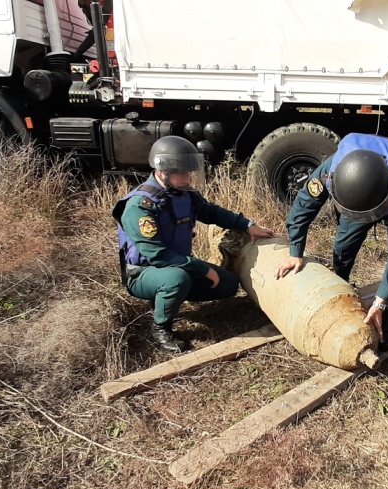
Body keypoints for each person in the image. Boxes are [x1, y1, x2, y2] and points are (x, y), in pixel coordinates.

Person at [113, 136, 274, 353]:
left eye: (191, 171)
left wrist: (247, 224)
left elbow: (210, 212)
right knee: (176, 279)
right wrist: (202, 268)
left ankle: (171, 294)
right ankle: (161, 326)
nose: (189, 177)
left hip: (177, 264)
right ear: (163, 172)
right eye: (183, 172)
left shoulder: (183, 193)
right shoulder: (140, 207)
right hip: (143, 272)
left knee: (227, 284)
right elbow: (156, 255)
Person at [273, 133, 388, 351]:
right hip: (357, 199)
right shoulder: (330, 172)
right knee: (343, 245)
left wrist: (381, 300)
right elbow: (304, 205)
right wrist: (295, 251)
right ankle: (340, 285)